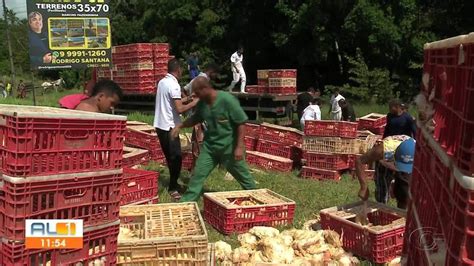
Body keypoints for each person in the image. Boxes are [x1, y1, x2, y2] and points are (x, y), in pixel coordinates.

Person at [171, 77, 257, 202]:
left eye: (196, 92)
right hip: (210, 149)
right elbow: (195, 118)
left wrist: (239, 147)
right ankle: (186, 203)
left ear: (205, 89)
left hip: (229, 148)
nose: (194, 95)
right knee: (197, 175)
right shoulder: (202, 104)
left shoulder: (227, 100)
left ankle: (256, 198)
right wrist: (180, 125)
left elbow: (241, 122)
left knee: (244, 177)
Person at [154, 59, 199, 201]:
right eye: (181, 70)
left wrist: (188, 98)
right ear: (178, 69)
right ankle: (173, 187)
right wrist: (195, 102)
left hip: (160, 124)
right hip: (169, 126)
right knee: (176, 158)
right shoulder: (174, 85)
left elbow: (172, 102)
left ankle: (174, 184)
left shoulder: (162, 82)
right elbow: (179, 109)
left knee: (170, 157)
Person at [372, 99, 417, 204]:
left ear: (397, 107)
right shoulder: (390, 116)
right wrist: (383, 141)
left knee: (402, 176)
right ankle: (382, 200)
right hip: (390, 146)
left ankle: (402, 201)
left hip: (403, 148)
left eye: (391, 107)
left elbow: (415, 132)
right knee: (383, 173)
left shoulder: (407, 118)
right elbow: (387, 129)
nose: (390, 109)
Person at [356, 135, 415, 209]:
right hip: (385, 162)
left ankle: (401, 215)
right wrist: (363, 187)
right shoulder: (382, 150)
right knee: (382, 193)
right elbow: (360, 161)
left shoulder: (418, 154)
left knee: (404, 194)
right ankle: (381, 211)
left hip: (408, 162)